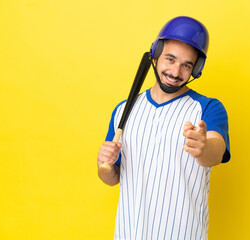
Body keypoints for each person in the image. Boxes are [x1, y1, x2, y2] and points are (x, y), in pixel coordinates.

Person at [97, 16, 231, 240]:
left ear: (195, 69)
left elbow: (215, 153)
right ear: (156, 55)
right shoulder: (124, 110)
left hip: (184, 233)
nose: (176, 71)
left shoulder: (208, 108)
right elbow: (112, 177)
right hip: (129, 232)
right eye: (170, 59)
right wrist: (105, 166)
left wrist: (203, 147)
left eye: (186, 65)